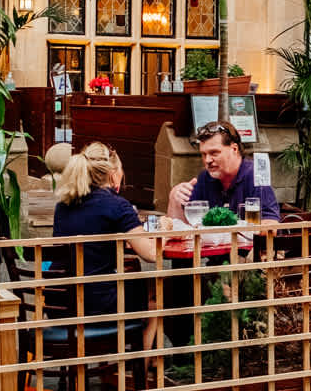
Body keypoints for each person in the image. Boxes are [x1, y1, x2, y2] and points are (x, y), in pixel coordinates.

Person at [51, 142, 160, 344]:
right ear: (112, 174)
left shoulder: (63, 206)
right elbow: (152, 254)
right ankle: (139, 362)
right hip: (98, 305)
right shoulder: (117, 205)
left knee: (137, 284)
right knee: (156, 293)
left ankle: (113, 357)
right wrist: (167, 229)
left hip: (59, 303)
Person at [168, 121, 280, 223]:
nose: (207, 160)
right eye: (203, 154)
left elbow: (270, 224)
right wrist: (174, 198)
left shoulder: (255, 175)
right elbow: (180, 228)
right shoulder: (205, 177)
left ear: (234, 149)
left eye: (214, 153)